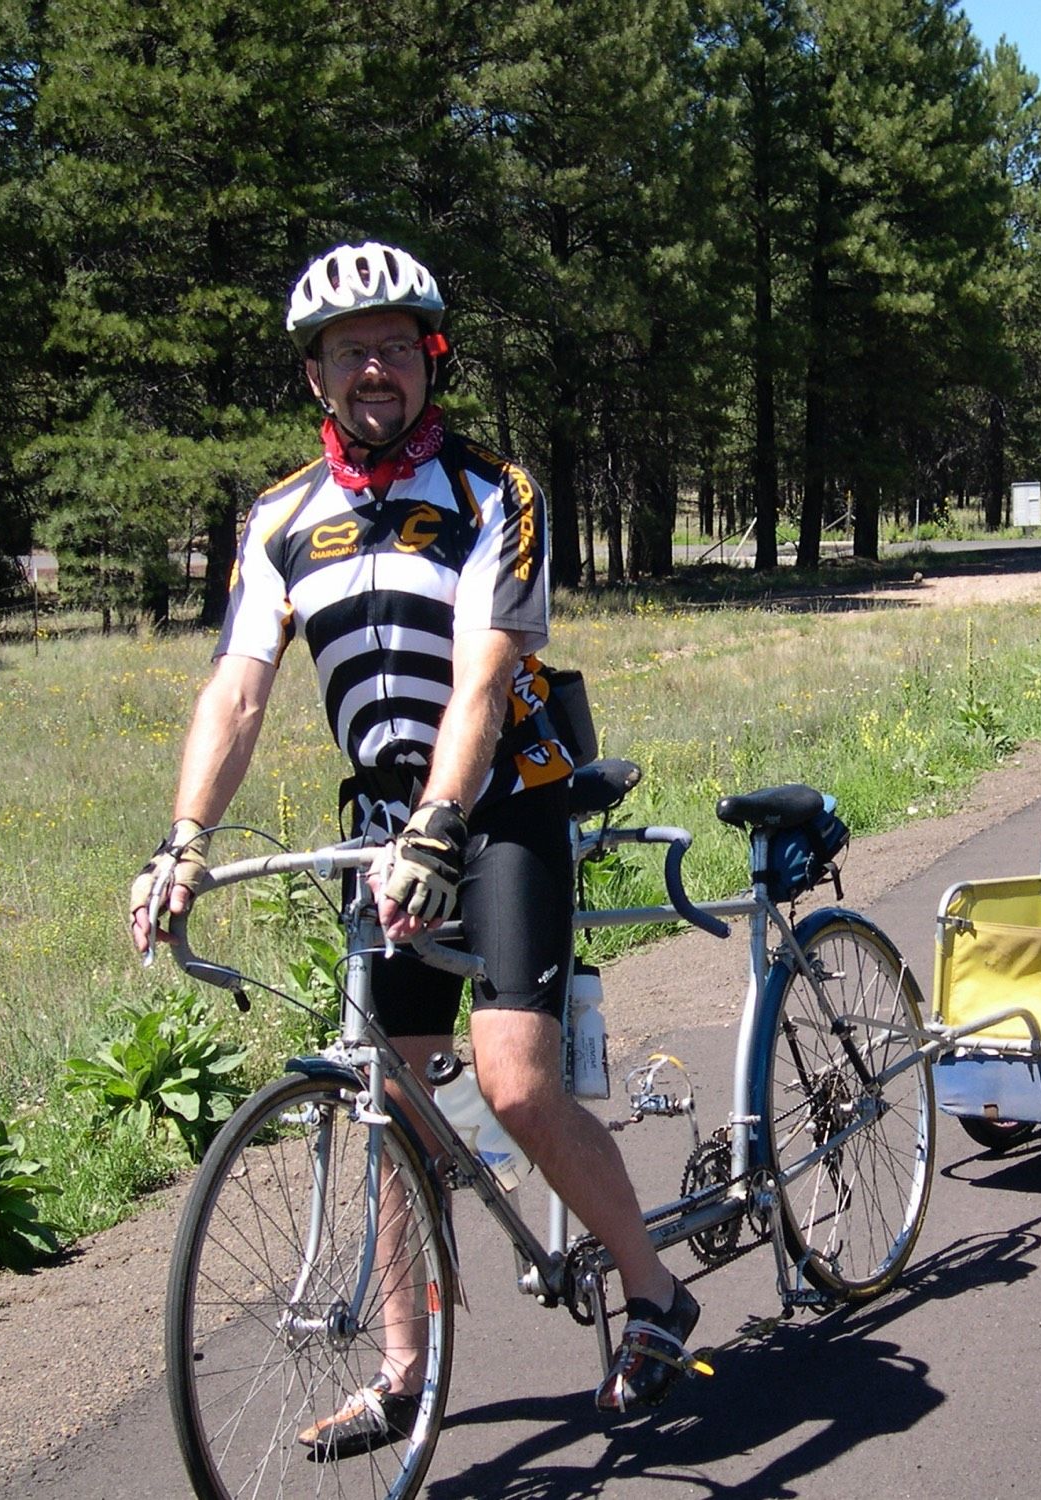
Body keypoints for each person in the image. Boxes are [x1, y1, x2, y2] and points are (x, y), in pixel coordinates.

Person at [129, 240, 697, 1450]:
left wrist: (442, 825)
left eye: (393, 345)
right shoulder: (281, 518)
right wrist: (183, 842)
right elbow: (235, 693)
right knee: (385, 1084)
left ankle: (652, 1292)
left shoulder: (498, 493)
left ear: (428, 357)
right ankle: (403, 1367)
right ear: (316, 376)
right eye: (348, 351)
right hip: (388, 825)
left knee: (511, 1081)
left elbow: (485, 684)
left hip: (498, 807)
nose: (372, 367)